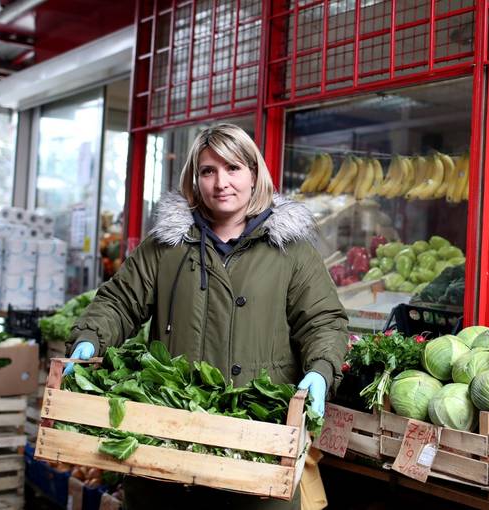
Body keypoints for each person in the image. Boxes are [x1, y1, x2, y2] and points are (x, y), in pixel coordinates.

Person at [63, 123, 348, 509]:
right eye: (208, 171)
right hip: (166, 442)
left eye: (233, 168)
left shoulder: (291, 251)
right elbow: (119, 301)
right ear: (195, 180)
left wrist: (321, 369)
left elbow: (322, 322)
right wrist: (89, 339)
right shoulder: (166, 246)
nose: (221, 183)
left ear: (254, 174)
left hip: (258, 445)